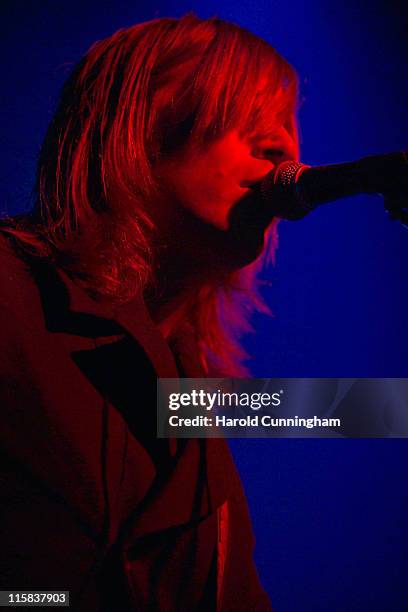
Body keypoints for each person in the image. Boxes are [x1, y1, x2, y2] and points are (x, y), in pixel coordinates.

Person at [0, 14, 298, 611]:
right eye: (245, 113)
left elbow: (355, 409)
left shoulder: (190, 397)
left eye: (288, 127)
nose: (285, 147)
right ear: (138, 122)